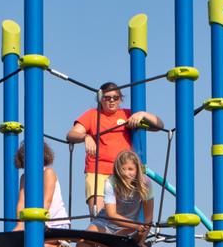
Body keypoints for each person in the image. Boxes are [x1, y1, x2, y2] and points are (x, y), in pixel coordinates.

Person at [66, 84, 163, 213]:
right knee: (99, 215)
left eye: (115, 97)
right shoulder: (92, 115)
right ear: (100, 99)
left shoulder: (128, 115)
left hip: (123, 173)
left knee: (123, 214)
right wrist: (86, 137)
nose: (111, 100)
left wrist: (142, 114)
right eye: (107, 98)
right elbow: (71, 134)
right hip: (98, 170)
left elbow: (159, 126)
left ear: (120, 99)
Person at [13, 142, 69, 231]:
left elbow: (47, 201)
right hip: (36, 222)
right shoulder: (24, 178)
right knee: (21, 242)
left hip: (56, 223)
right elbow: (21, 203)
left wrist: (36, 223)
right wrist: (20, 224)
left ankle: (60, 243)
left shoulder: (48, 173)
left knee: (37, 243)